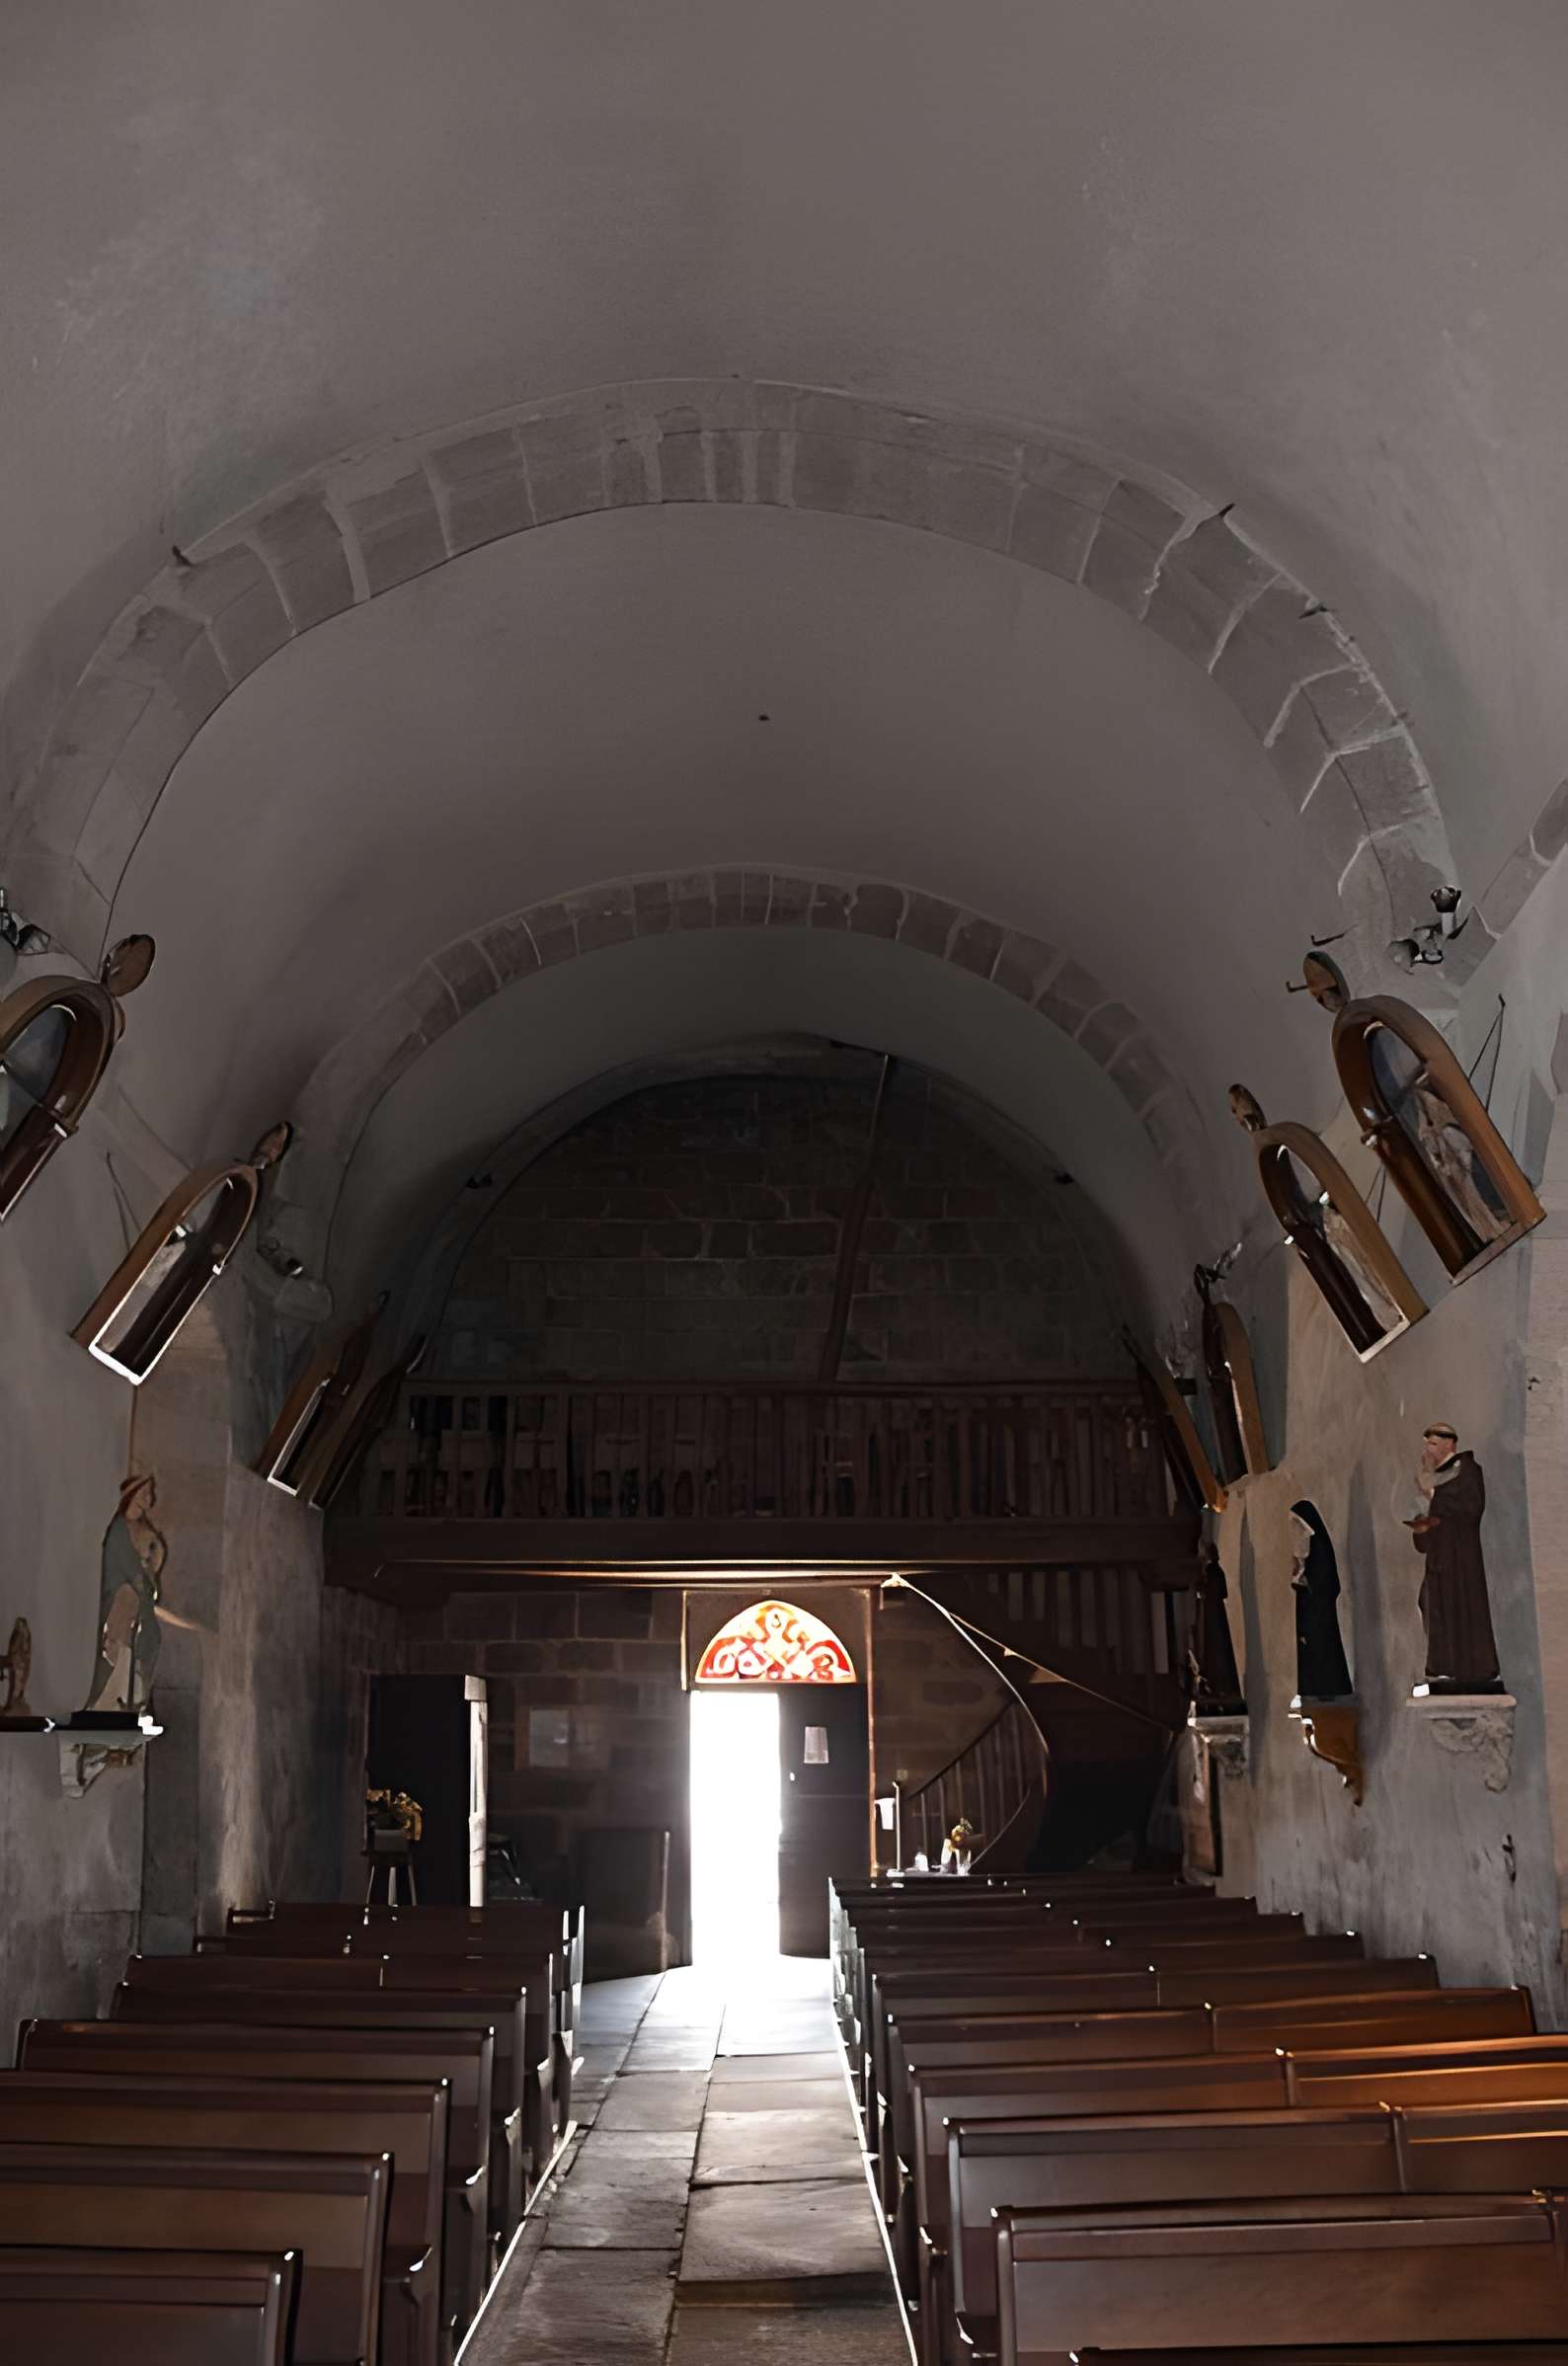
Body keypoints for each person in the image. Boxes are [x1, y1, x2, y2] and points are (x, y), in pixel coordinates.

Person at [1405, 1423, 1504, 1693]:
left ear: (1451, 1444)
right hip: (1439, 1558)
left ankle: (1471, 1669)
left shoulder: (1467, 1471)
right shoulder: (1433, 1477)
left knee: (1462, 1609)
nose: (1429, 1450)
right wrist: (1423, 1518)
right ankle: (1442, 1667)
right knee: (1431, 1604)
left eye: (1434, 1444)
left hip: (1462, 1558)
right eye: (1427, 1444)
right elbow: (1427, 1529)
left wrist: (1433, 1495)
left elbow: (1470, 1509)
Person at [83, 1472, 167, 1713]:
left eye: (149, 1495)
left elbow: (150, 1567)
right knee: (121, 1645)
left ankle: (132, 1698)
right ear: (132, 1493)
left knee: (150, 1637)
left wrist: (147, 1579)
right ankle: (110, 1702)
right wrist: (138, 1582)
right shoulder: (118, 1530)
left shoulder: (143, 1530)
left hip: (138, 1605)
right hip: (119, 1601)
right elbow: (119, 1565)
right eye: (144, 1493)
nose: (148, 1500)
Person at [1289, 1501, 1354, 1702]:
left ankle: (1325, 1689)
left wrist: (1304, 1579)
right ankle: (1314, 1689)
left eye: (1300, 1528)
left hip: (1320, 1615)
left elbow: (1327, 1584)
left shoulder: (1320, 1552)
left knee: (1324, 1652)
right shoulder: (1311, 1555)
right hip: (1311, 1615)